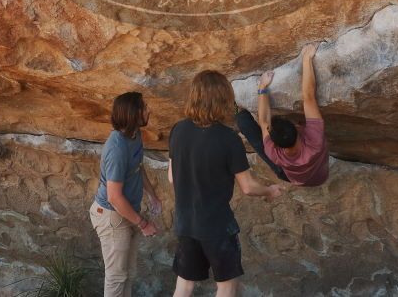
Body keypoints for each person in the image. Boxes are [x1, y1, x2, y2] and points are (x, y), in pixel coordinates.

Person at [168, 70, 284, 297]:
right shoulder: (229, 139)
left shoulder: (178, 130)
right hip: (217, 226)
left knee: (184, 284)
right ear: (224, 98)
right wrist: (269, 190)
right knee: (226, 286)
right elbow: (248, 187)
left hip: (186, 223)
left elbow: (172, 177)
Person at [90, 92, 163, 297]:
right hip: (111, 215)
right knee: (116, 277)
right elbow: (114, 197)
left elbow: (138, 167)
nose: (148, 110)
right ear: (134, 114)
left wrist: (152, 195)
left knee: (128, 274)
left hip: (126, 212)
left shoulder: (135, 135)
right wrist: (143, 223)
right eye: (144, 107)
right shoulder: (117, 149)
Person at [236, 43, 329, 187]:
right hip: (319, 176)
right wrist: (306, 59)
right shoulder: (314, 142)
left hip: (290, 175)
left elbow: (264, 122)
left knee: (242, 120)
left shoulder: (273, 152)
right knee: (244, 121)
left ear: (274, 142)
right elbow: (309, 97)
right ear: (297, 128)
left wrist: (262, 87)